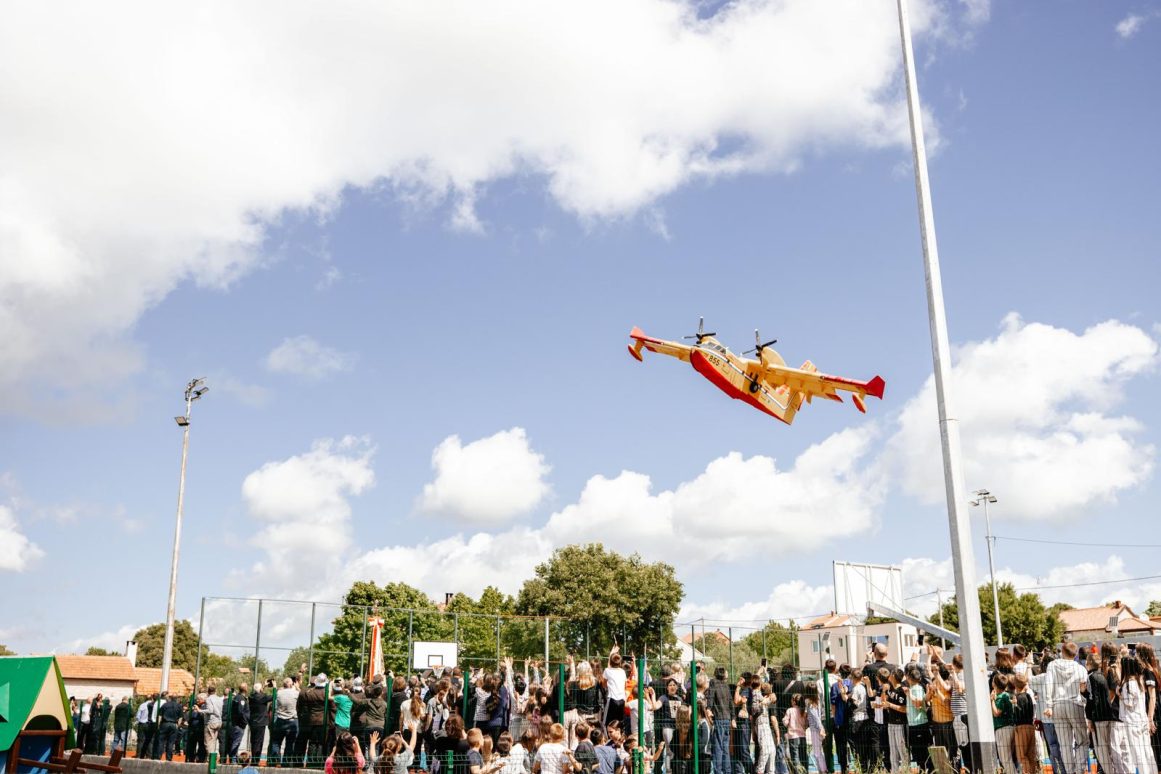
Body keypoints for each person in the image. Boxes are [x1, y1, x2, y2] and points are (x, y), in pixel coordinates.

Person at [1044, 641, 1088, 774]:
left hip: (1057, 705)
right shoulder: (1080, 668)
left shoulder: (1052, 665)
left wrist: (1048, 705)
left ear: (1062, 652)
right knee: (1082, 740)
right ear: (1075, 654)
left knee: (1064, 743)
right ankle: (1079, 769)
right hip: (1075, 704)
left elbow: (1048, 684)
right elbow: (1084, 687)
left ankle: (1070, 771)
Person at [1121, 656, 1159, 774]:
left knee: (1138, 753)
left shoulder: (1127, 684)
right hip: (1142, 720)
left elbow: (1128, 703)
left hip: (1132, 723)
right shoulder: (1140, 681)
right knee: (1147, 750)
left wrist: (1120, 695)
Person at [297, 673, 334, 766]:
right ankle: (319, 763)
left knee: (312, 743)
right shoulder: (326, 693)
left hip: (312, 720)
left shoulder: (310, 693)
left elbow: (304, 707)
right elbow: (332, 707)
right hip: (323, 721)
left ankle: (310, 762)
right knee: (321, 743)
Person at [705, 668, 732, 774]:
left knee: (718, 748)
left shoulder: (713, 683)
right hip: (727, 719)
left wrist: (708, 708)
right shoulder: (726, 686)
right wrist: (732, 718)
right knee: (725, 748)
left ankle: (718, 771)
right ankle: (727, 771)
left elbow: (711, 697)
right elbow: (730, 703)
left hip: (719, 719)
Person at [904, 665, 931, 773]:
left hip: (919, 724)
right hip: (913, 724)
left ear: (909, 678)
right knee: (916, 752)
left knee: (922, 752)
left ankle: (925, 770)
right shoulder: (913, 688)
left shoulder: (917, 689)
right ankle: (921, 770)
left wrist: (909, 694)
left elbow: (919, 704)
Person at [270, 676, 300, 767]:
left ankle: (275, 760)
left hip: (280, 720)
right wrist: (297, 686)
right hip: (292, 720)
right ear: (291, 684)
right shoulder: (296, 693)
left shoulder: (279, 693)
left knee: (276, 742)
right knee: (290, 743)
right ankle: (286, 762)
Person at [991, 673, 1017, 774]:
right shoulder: (1006, 695)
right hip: (1009, 728)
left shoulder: (1001, 696)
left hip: (1002, 729)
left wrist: (992, 700)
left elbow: (997, 712)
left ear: (995, 684)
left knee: (1005, 759)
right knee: (1009, 757)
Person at [602, 647, 628, 731]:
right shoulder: (622, 672)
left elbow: (604, 685)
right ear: (620, 662)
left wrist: (611, 653)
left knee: (606, 722)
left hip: (612, 700)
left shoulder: (607, 671)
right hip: (622, 700)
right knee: (619, 722)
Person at [782, 693, 807, 773]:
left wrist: (784, 720)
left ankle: (797, 772)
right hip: (802, 736)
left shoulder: (790, 710)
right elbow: (806, 723)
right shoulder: (803, 711)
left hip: (793, 736)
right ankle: (805, 771)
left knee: (795, 757)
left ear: (794, 701)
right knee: (803, 756)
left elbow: (785, 722)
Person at [250, 681, 273, 762]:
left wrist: (263, 686)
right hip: (261, 723)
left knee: (253, 741)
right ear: (260, 690)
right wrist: (275, 687)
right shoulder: (263, 697)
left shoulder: (251, 697)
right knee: (259, 742)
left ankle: (253, 758)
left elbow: (258, 693)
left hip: (253, 722)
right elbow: (273, 696)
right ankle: (256, 760)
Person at [229, 683, 251, 763]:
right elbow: (240, 712)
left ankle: (233, 759)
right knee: (236, 742)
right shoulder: (241, 699)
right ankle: (233, 760)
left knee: (236, 742)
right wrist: (244, 722)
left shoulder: (238, 697)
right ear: (245, 689)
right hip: (239, 725)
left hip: (237, 724)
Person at [805, 693, 827, 774]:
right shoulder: (816, 702)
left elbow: (816, 718)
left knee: (817, 752)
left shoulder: (811, 705)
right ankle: (822, 770)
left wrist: (821, 728)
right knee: (818, 752)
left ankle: (823, 770)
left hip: (815, 730)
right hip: (817, 729)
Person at [204, 686, 225, 762]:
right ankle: (212, 758)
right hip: (218, 722)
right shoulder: (220, 699)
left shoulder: (209, 699)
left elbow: (210, 710)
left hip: (211, 722)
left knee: (208, 742)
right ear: (215, 691)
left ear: (208, 692)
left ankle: (211, 759)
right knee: (213, 741)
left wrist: (200, 710)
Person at [187, 694, 207, 763]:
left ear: (203, 700)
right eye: (197, 699)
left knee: (201, 746)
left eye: (199, 699)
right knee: (191, 745)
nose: (197, 700)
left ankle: (200, 759)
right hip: (193, 730)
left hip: (201, 729)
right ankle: (191, 758)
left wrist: (198, 710)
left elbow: (204, 716)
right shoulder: (195, 707)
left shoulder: (205, 706)